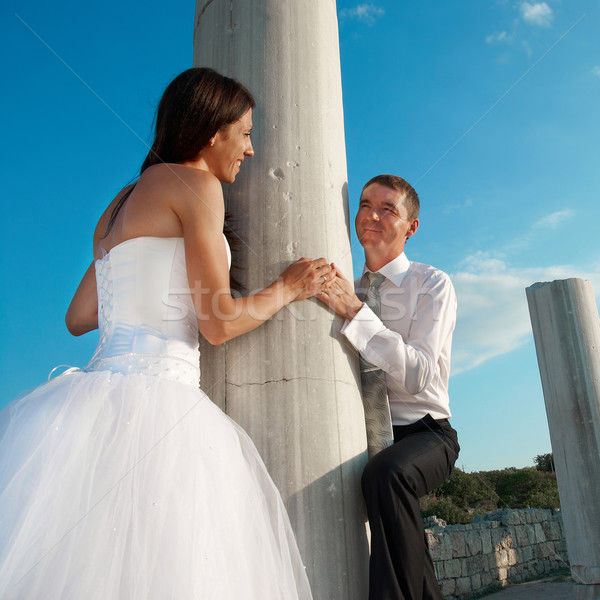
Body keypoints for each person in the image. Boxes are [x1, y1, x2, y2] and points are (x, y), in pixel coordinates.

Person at [0, 67, 332, 599]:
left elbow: (80, 316)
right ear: (211, 130)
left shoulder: (119, 204)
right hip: (161, 404)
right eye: (245, 133)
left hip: (94, 397)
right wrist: (287, 288)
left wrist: (151, 294)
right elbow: (219, 324)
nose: (250, 150)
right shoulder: (196, 184)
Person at [317, 174, 460, 600]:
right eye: (364, 204)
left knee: (387, 474)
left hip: (426, 431)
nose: (372, 215)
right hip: (363, 434)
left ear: (411, 226)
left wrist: (355, 313)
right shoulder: (345, 286)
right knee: (407, 546)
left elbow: (418, 375)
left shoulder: (431, 284)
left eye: (387, 208)